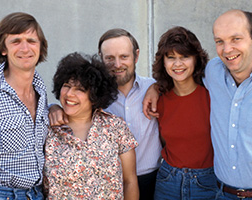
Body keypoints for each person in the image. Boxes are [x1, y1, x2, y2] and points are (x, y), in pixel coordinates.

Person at [143, 9, 252, 200]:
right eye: (220, 41)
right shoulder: (210, 75)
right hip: (174, 181)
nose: (227, 49)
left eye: (236, 39)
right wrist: (153, 88)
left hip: (214, 184)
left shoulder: (212, 83)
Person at [49, 28, 162, 200]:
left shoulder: (155, 88)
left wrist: (158, 87)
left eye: (124, 56)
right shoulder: (54, 124)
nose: (117, 64)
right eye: (109, 58)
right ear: (101, 59)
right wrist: (52, 107)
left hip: (152, 179)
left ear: (136, 56)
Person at [0, 12, 48, 200]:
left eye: (31, 40)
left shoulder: (41, 90)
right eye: (16, 41)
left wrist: (54, 108)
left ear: (40, 47)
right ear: (3, 49)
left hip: (37, 194)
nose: (25, 48)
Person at [43, 52, 139, 199]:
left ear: (94, 96)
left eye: (80, 89)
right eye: (66, 86)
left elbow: (130, 181)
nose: (69, 94)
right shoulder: (47, 128)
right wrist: (51, 107)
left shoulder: (115, 127)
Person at [151, 26, 217, 200]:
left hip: (207, 182)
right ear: (163, 62)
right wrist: (154, 88)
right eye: (171, 58)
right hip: (168, 180)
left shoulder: (212, 95)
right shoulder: (159, 100)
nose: (177, 64)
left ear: (196, 59)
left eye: (184, 57)